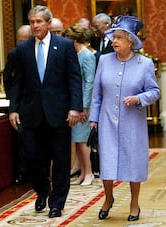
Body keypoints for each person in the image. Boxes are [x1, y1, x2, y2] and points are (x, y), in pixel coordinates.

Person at [9, 5, 83, 218]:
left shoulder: (65, 45)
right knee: (32, 158)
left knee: (60, 160)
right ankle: (43, 191)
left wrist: (75, 107)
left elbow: (74, 78)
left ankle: (56, 203)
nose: (35, 25)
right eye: (32, 22)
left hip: (59, 113)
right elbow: (17, 82)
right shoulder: (22, 50)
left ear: (48, 23)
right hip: (31, 114)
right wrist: (13, 109)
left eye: (39, 21)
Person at [89, 16, 160, 221]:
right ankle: (108, 198)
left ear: (130, 40)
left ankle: (134, 202)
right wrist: (94, 119)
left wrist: (139, 98)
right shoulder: (104, 60)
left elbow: (155, 91)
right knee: (107, 162)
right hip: (107, 120)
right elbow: (97, 94)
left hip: (133, 122)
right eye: (113, 37)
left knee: (133, 162)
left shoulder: (144, 63)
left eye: (119, 37)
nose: (114, 41)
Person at [64, 23, 96, 186]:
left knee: (83, 140)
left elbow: (89, 82)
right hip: (76, 104)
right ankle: (82, 172)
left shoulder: (87, 56)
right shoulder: (77, 54)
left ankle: (89, 173)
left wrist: (84, 107)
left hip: (85, 105)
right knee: (77, 140)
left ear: (75, 39)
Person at [3, 25, 32, 185]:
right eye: (19, 41)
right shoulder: (14, 54)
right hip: (20, 105)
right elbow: (7, 77)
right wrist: (12, 100)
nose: (21, 44)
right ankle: (21, 172)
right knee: (20, 141)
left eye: (24, 41)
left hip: (37, 104)